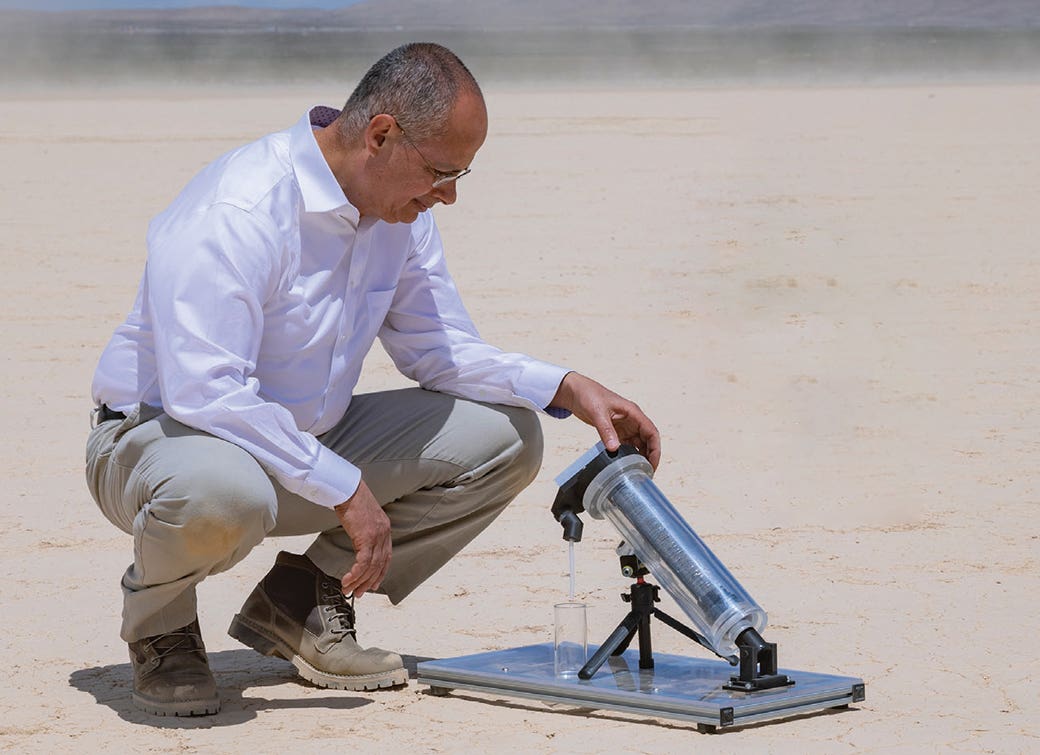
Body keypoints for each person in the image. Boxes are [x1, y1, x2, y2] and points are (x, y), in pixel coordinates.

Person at [84, 43, 660, 718]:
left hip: (301, 441)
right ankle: (161, 622)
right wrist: (343, 485)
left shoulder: (398, 214)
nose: (448, 195)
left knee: (508, 435)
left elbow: (439, 353)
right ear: (381, 135)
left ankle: (301, 603)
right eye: (443, 172)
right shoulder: (239, 206)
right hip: (158, 440)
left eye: (461, 175)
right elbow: (205, 391)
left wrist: (568, 386)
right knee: (223, 492)